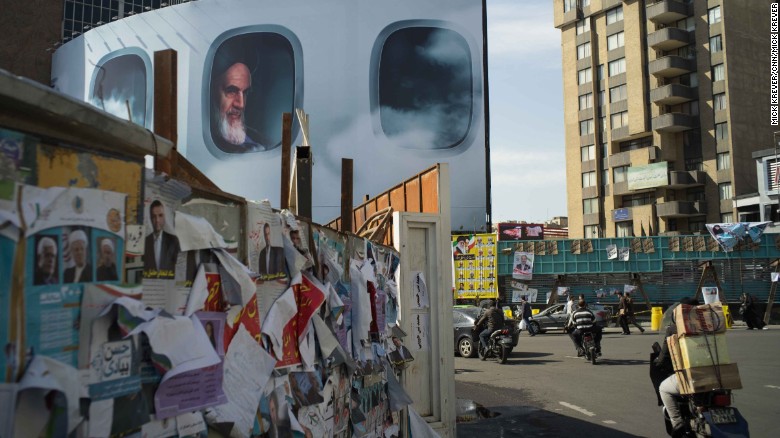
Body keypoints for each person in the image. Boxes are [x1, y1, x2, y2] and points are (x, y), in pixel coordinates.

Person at [653, 297, 699, 436]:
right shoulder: (711, 326)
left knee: (664, 388)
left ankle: (677, 422)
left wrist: (658, 362)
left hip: (692, 375)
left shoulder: (674, 329)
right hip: (717, 375)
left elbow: (665, 356)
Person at [210, 61, 263, 153]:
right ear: (211, 92)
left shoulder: (260, 141)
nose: (241, 104)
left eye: (245, 92)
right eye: (231, 91)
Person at [143, 200, 180, 275]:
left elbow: (178, 268)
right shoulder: (145, 242)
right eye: (154, 216)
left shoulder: (173, 241)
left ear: (165, 216)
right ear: (150, 217)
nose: (157, 220)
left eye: (160, 215)